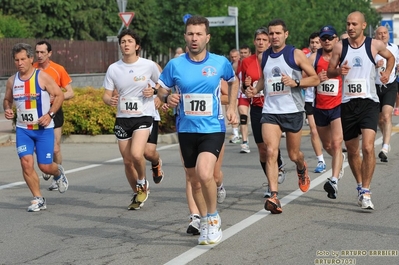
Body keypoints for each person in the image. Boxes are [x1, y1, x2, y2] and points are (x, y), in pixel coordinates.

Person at [157, 15, 238, 245]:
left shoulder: (219, 62)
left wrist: (231, 106)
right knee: (193, 180)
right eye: (191, 34)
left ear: (207, 37)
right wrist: (168, 97)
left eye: (199, 34)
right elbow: (161, 89)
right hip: (186, 129)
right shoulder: (175, 65)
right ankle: (203, 220)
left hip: (213, 127)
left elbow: (233, 82)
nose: (195, 38)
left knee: (205, 173)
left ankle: (213, 217)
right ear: (185, 37)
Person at [246, 19, 320, 214]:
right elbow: (264, 78)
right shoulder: (265, 56)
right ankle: (274, 195)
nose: (273, 36)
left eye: (277, 33)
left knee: (294, 154)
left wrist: (296, 82)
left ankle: (301, 166)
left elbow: (314, 78)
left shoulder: (295, 54)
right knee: (271, 151)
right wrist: (255, 90)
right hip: (271, 111)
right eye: (271, 33)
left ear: (285, 34)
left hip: (293, 111)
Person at [327, 11, 394, 210]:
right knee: (354, 151)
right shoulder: (340, 46)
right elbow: (330, 71)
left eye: (354, 24)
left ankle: (366, 191)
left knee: (367, 147)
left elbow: (390, 58)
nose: (350, 27)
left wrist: (388, 73)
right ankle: (359, 185)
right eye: (348, 23)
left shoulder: (374, 45)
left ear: (363, 26)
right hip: (348, 104)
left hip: (369, 102)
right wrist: (338, 71)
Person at [3, 43, 68, 212]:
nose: (20, 63)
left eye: (23, 59)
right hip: (23, 130)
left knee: (45, 166)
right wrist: (8, 109)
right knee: (26, 163)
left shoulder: (42, 77)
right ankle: (38, 198)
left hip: (43, 129)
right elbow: (7, 100)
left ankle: (58, 172)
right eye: (16, 60)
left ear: (31, 59)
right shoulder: (12, 80)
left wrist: (50, 115)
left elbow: (59, 95)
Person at [102, 29, 160, 210]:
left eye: (129, 41)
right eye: (123, 41)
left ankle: (142, 181)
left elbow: (163, 84)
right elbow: (106, 94)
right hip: (123, 118)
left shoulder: (148, 65)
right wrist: (109, 100)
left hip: (143, 115)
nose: (126, 44)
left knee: (137, 154)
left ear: (137, 46)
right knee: (127, 161)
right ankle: (137, 193)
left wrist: (155, 91)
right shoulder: (114, 68)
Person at [241, 27, 286, 198]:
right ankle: (271, 178)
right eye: (258, 39)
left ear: (269, 42)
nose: (261, 42)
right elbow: (245, 89)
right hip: (257, 107)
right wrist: (247, 87)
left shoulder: (276, 59)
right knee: (262, 149)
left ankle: (275, 175)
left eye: (264, 40)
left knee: (271, 146)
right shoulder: (246, 62)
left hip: (275, 106)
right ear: (254, 42)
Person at [308, 25, 345, 199]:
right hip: (320, 108)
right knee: (328, 146)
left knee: (337, 144)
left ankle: (334, 180)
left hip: (338, 106)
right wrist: (317, 79)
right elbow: (304, 80)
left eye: (330, 37)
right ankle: (340, 159)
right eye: (324, 38)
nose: (327, 41)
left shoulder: (343, 57)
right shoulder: (314, 58)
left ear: (336, 39)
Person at [33, 40, 75, 190]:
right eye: (37, 52)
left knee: (56, 148)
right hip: (36, 113)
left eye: (42, 52)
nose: (39, 55)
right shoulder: (32, 69)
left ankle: (58, 175)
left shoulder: (58, 69)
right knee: (38, 146)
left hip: (54, 111)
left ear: (49, 53)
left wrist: (56, 97)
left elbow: (70, 92)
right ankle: (47, 164)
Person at [374, 26, 399, 162]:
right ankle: (386, 138)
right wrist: (375, 65)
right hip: (375, 86)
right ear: (375, 36)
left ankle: (385, 146)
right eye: (380, 33)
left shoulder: (395, 48)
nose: (383, 35)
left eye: (385, 33)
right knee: (379, 119)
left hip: (390, 85)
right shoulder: (372, 48)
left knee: (387, 115)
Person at [304, 32, 326, 173]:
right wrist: (314, 79)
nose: (314, 45)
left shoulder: (328, 57)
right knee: (313, 130)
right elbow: (303, 81)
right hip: (309, 98)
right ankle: (321, 160)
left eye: (317, 42)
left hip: (326, 99)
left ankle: (337, 152)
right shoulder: (305, 59)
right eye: (312, 42)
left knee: (328, 136)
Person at [236, 45, 253, 153]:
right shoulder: (235, 65)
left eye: (245, 52)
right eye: (241, 52)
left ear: (249, 53)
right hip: (242, 94)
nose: (243, 55)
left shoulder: (253, 62)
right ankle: (245, 142)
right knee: (243, 117)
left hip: (256, 93)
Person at [228, 48, 241, 144]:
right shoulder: (229, 65)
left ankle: (240, 129)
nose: (234, 58)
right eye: (232, 57)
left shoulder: (243, 64)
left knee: (242, 113)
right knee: (232, 111)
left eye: (235, 56)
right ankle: (235, 132)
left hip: (243, 92)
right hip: (233, 93)